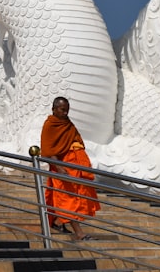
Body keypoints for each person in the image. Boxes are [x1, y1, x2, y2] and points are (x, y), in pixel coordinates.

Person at [40, 96, 100, 241]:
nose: (65, 113)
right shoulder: (50, 125)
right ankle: (79, 233)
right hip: (63, 166)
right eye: (62, 109)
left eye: (67, 110)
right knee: (68, 198)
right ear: (54, 109)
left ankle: (55, 221)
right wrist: (59, 167)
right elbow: (48, 150)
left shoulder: (67, 123)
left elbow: (76, 140)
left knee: (63, 196)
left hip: (75, 166)